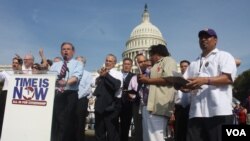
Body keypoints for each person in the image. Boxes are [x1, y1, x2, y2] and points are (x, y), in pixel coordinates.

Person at [181, 28, 237, 141]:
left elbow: (228, 78)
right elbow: (185, 83)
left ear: (215, 40)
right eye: (201, 37)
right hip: (196, 112)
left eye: (207, 37)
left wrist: (205, 80)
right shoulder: (194, 63)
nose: (203, 39)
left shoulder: (224, 56)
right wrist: (182, 86)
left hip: (219, 112)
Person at [138, 44, 177, 141]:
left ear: (157, 54)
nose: (150, 58)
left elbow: (170, 78)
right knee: (148, 137)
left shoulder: (168, 61)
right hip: (150, 105)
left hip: (159, 105)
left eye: (151, 55)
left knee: (155, 137)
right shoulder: (155, 65)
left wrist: (148, 81)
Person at [50, 42, 83, 141]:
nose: (65, 51)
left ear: (73, 51)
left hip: (69, 95)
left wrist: (65, 83)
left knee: (66, 124)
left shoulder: (78, 64)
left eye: (68, 49)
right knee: (54, 121)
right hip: (56, 95)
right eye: (63, 49)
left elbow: (75, 78)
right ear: (61, 51)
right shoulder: (55, 65)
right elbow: (50, 77)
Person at [93, 54, 123, 141]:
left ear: (114, 63)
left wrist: (107, 75)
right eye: (106, 60)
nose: (107, 62)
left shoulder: (117, 74)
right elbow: (95, 85)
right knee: (99, 133)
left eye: (110, 61)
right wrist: (101, 76)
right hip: (99, 107)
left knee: (112, 133)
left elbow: (117, 86)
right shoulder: (101, 74)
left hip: (111, 107)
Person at [127, 53, 149, 141]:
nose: (143, 63)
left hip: (149, 106)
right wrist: (130, 95)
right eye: (140, 62)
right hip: (137, 105)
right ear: (136, 64)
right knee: (139, 129)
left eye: (144, 61)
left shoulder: (153, 75)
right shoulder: (133, 78)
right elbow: (130, 92)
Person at [0, 55, 23, 138]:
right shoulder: (6, 72)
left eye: (16, 63)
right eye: (13, 62)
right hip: (5, 95)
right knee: (2, 116)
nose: (14, 64)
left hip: (16, 97)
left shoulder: (22, 73)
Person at [75, 56, 93, 141]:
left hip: (81, 100)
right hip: (70, 99)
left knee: (79, 123)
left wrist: (77, 96)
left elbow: (88, 89)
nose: (77, 64)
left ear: (83, 64)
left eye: (79, 62)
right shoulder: (71, 73)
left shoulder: (88, 74)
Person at [119, 57, 136, 141]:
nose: (126, 66)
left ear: (131, 66)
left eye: (128, 64)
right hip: (116, 103)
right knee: (114, 125)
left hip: (128, 104)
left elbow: (136, 90)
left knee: (125, 125)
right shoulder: (117, 74)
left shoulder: (134, 76)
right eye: (125, 64)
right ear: (122, 65)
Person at [174, 60, 190, 141]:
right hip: (179, 107)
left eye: (185, 66)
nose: (183, 68)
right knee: (178, 130)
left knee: (188, 130)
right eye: (182, 66)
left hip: (189, 107)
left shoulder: (192, 78)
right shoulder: (177, 79)